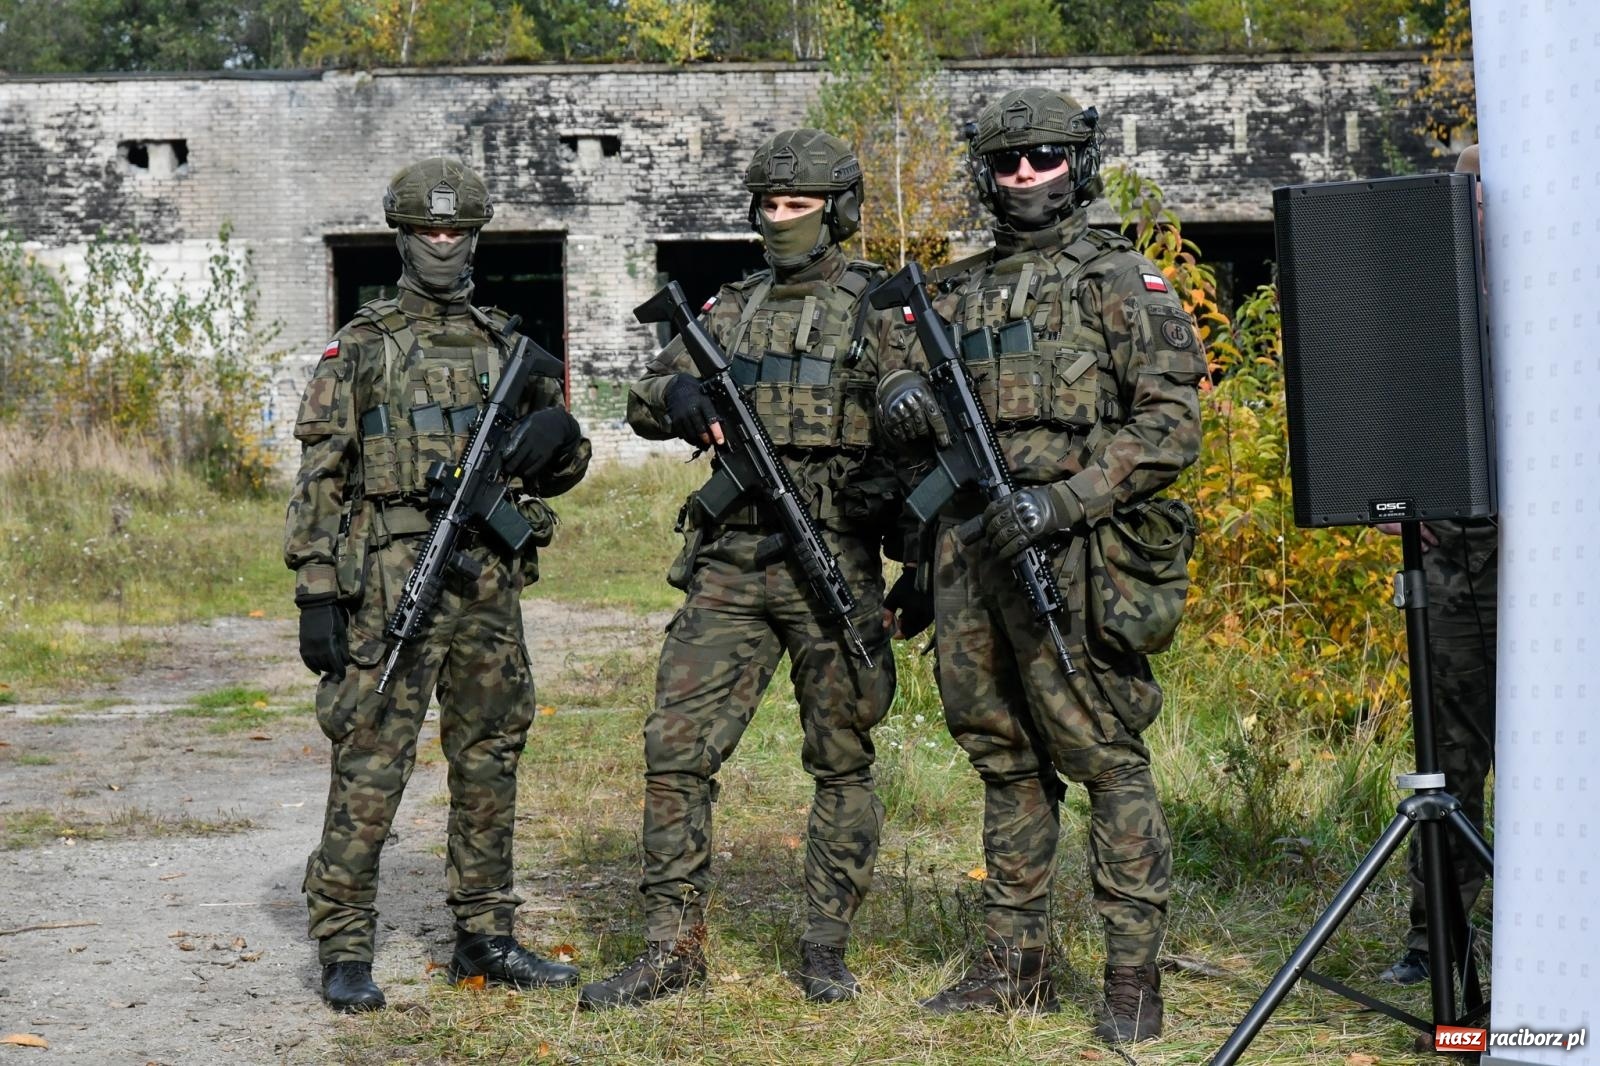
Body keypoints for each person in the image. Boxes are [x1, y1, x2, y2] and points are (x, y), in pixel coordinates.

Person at [875, 88, 1204, 1044]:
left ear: (1078, 163)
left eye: (1046, 157)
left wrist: (1063, 500)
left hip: (1075, 558)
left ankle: (1133, 980)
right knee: (1003, 757)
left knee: (1104, 756)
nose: (1026, 175)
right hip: (967, 552)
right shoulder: (953, 289)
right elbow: (888, 353)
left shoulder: (1120, 281)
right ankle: (1013, 966)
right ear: (987, 172)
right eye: (1011, 160)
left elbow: (1171, 426)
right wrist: (899, 386)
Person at [578, 128, 921, 1010]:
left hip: (834, 555)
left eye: (799, 206)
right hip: (731, 559)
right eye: (767, 206)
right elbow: (647, 394)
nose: (780, 221)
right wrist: (679, 397)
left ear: (840, 210)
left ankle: (824, 947)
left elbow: (924, 421)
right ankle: (671, 948)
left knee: (841, 757)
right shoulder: (732, 306)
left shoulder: (880, 308)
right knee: (676, 752)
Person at [285, 156, 591, 1013]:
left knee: (490, 758)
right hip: (391, 578)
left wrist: (554, 438)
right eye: (428, 230)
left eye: (458, 230)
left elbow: (569, 461)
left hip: (488, 587)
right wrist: (316, 592)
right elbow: (320, 477)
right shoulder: (364, 347)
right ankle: (345, 944)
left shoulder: (506, 344)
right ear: (403, 236)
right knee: (372, 759)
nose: (444, 244)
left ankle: (484, 936)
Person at [1374, 142, 1497, 987]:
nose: (1473, 216)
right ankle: (1440, 944)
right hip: (1453, 555)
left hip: (1551, 560)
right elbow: (1385, 416)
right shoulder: (1427, 305)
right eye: (1463, 201)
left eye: (1483, 201)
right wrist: (1401, 503)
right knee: (1449, 757)